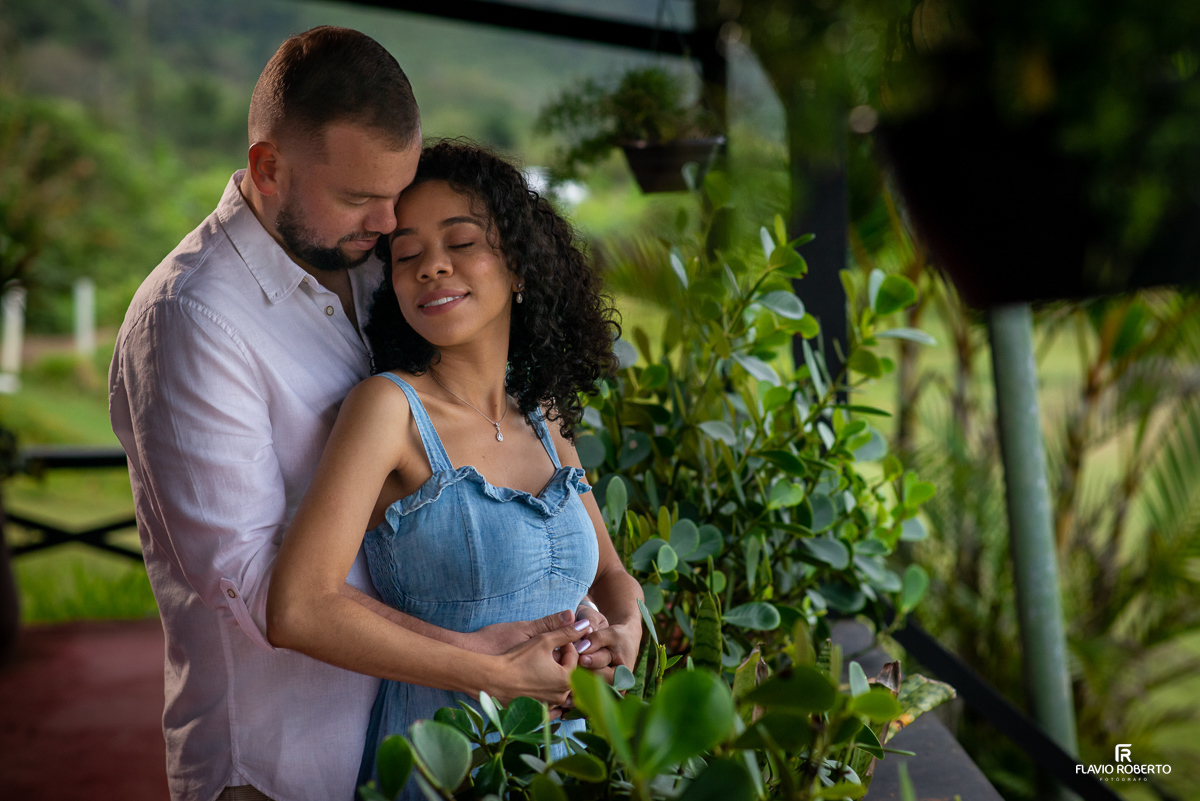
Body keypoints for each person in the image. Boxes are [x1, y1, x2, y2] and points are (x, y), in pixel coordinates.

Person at [109, 28, 602, 801]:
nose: (386, 225)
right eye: (359, 199)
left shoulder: (370, 267)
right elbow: (263, 591)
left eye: (394, 196)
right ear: (268, 168)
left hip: (423, 740)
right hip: (278, 764)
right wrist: (487, 663)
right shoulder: (193, 317)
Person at [265, 141, 645, 795]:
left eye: (460, 242)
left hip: (576, 762)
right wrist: (495, 675)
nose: (431, 266)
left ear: (520, 268)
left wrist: (627, 634)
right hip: (446, 764)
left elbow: (612, 574)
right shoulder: (388, 410)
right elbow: (297, 607)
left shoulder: (545, 421)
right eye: (407, 254)